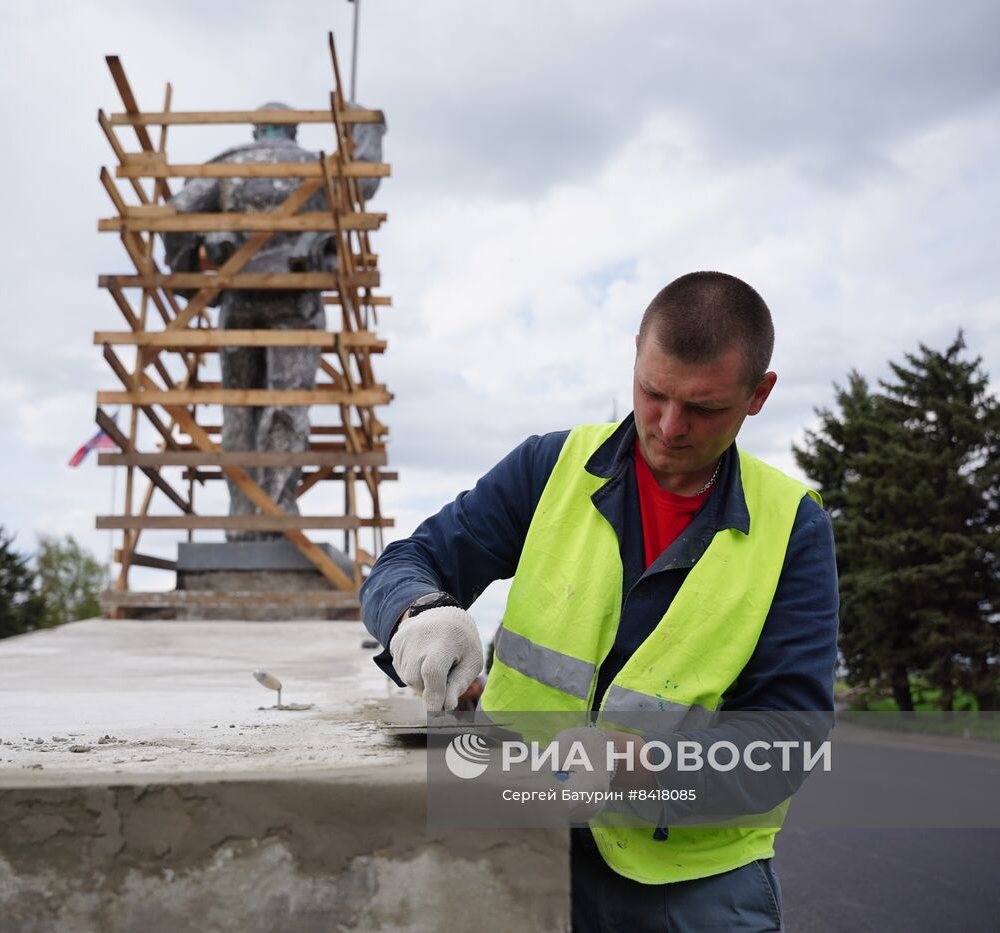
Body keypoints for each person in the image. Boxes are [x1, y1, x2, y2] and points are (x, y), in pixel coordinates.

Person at [359, 271, 838, 931]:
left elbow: (787, 737)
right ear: (636, 352)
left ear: (760, 394)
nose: (669, 426)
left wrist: (636, 768)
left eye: (703, 408)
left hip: (687, 883)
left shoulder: (792, 527)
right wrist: (420, 615)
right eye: (653, 392)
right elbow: (407, 562)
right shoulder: (550, 467)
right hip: (523, 837)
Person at [162, 103, 386, 540]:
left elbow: (174, 216)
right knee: (287, 404)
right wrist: (369, 128)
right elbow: (365, 183)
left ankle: (243, 518)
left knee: (240, 408)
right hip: (295, 303)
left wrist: (188, 277)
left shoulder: (225, 165)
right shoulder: (315, 167)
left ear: (255, 128)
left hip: (238, 303)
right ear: (295, 130)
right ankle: (277, 513)